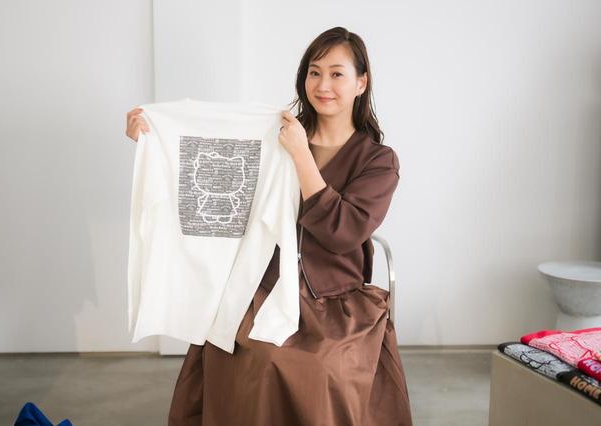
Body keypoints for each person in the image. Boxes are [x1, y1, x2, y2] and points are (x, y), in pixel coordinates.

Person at [126, 26, 412, 426]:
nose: (323, 85)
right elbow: (213, 176)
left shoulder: (377, 159)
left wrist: (301, 156)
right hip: (260, 282)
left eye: (336, 74)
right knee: (229, 346)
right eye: (314, 73)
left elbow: (343, 232)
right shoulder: (273, 135)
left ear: (361, 83)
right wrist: (154, 141)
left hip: (332, 297)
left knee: (305, 364)